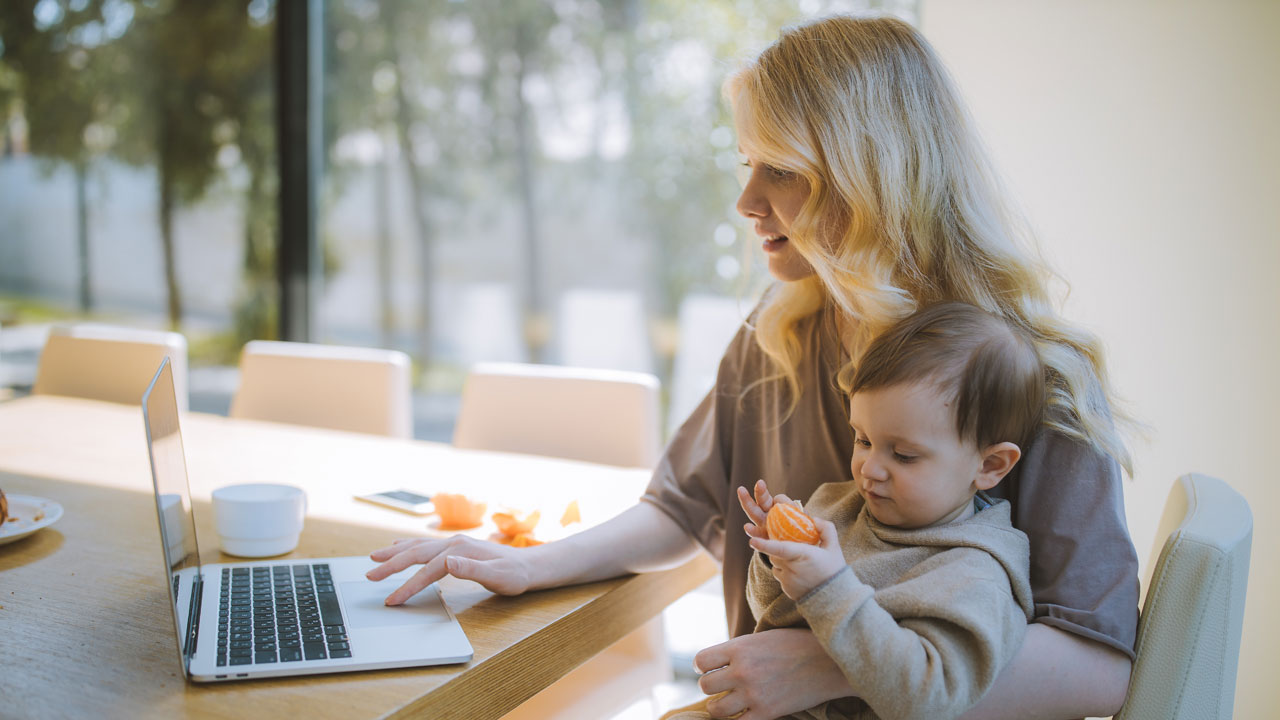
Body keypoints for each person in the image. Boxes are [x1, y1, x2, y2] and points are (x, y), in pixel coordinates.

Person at [366, 14, 1139, 720]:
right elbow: (681, 508)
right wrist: (533, 564)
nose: (745, 200)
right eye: (746, 163)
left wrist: (833, 663)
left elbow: (1100, 666)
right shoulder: (777, 336)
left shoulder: (1039, 380)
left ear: (870, 176)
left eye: (782, 169)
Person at [663, 301, 1044, 720]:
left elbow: (928, 697)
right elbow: (771, 619)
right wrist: (778, 558)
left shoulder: (974, 573)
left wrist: (829, 587)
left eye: (903, 454)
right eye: (863, 440)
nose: (870, 468)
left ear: (990, 466)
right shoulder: (838, 507)